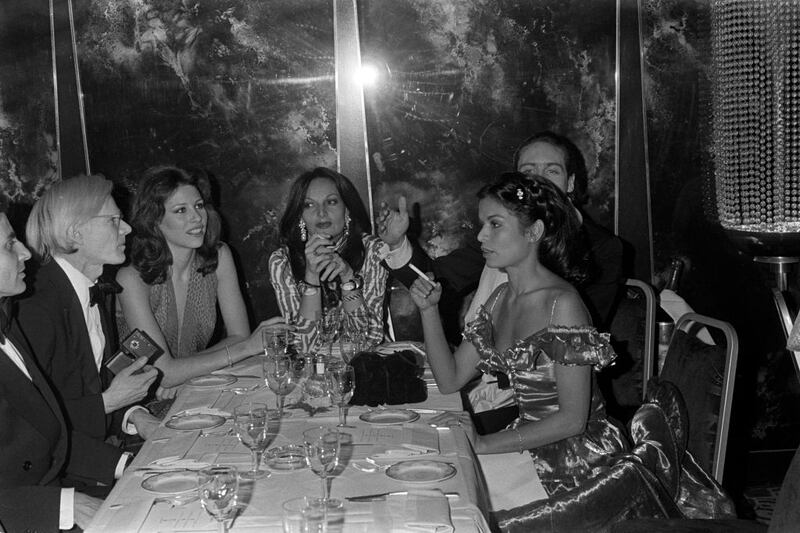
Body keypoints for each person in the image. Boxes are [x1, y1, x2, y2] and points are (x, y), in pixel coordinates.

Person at [380, 130, 625, 432]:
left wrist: (481, 436)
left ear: (571, 182)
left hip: (555, 426)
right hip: (503, 403)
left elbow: (568, 408)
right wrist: (401, 250)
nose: (539, 181)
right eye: (528, 172)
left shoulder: (577, 279)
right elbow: (433, 278)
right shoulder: (500, 282)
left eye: (552, 170)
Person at [409, 172, 627, 498]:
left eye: (495, 225)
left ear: (533, 232)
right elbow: (450, 379)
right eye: (482, 224)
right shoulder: (500, 299)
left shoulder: (561, 304)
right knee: (437, 481)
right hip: (529, 443)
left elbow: (572, 421)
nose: (482, 236)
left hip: (577, 460)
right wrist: (429, 312)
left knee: (460, 494)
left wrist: (483, 442)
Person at [17, 175, 160, 461]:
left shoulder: (92, 288)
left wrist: (136, 416)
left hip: (96, 454)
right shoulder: (36, 305)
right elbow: (31, 421)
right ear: (76, 233)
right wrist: (110, 402)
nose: (128, 229)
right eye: (113, 220)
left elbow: (94, 388)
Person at [0, 207, 118, 532]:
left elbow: (50, 435)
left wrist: (128, 465)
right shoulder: (36, 310)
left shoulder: (8, 323)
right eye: (10, 245)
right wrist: (67, 506)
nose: (26, 252)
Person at [117, 166, 287, 388]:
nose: (197, 217)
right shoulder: (131, 279)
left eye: (198, 206)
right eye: (181, 210)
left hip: (191, 385)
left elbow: (238, 336)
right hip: (135, 401)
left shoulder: (218, 258)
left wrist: (184, 373)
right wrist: (245, 349)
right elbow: (163, 373)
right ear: (154, 219)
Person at [269, 167, 387, 352]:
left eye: (331, 202)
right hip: (313, 372)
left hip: (362, 369)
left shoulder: (373, 250)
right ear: (300, 216)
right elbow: (304, 347)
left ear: (347, 210)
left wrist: (348, 278)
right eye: (309, 205)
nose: (321, 213)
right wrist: (311, 276)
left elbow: (368, 341)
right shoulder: (282, 262)